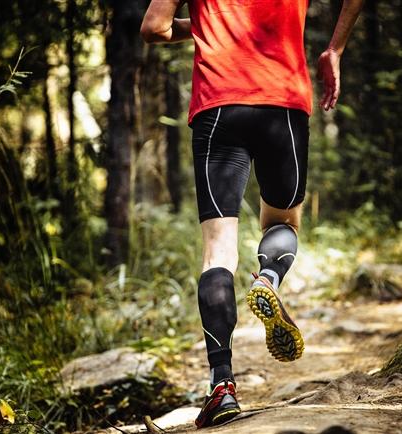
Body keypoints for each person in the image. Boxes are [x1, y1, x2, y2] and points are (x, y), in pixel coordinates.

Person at [140, 0, 363, 427]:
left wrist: (205, 25)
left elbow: (154, 28)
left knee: (218, 253)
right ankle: (269, 278)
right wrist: (334, 49)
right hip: (284, 105)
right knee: (281, 222)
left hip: (218, 106)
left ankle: (222, 387)